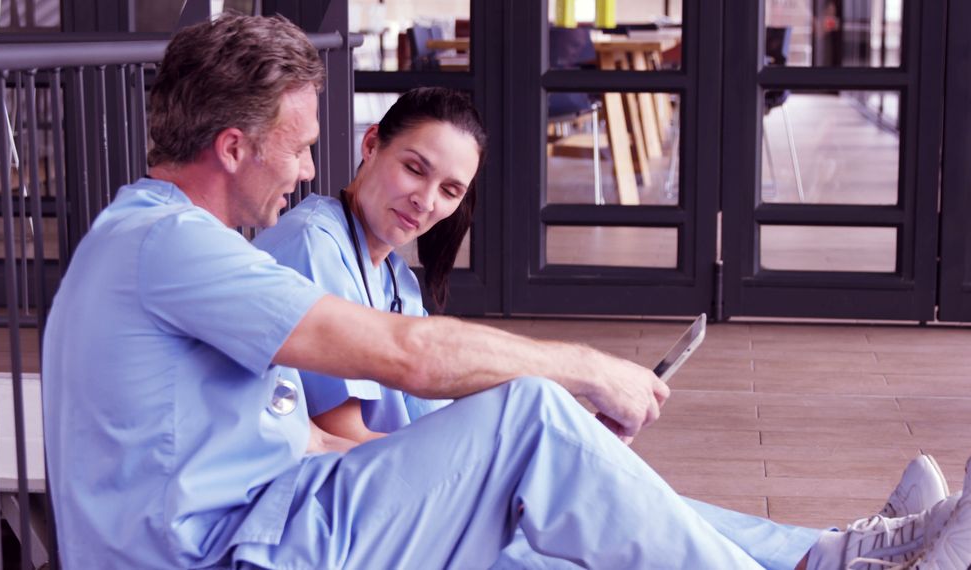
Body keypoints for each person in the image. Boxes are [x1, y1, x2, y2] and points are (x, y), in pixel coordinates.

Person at [41, 13, 971, 570]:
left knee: (569, 495)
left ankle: (845, 554)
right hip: (233, 551)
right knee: (534, 424)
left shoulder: (170, 243)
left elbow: (301, 427)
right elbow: (405, 360)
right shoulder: (174, 245)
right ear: (234, 147)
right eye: (301, 145)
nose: (309, 166)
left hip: (268, 523)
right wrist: (587, 371)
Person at [252, 86, 966, 570]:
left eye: (450, 190)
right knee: (606, 513)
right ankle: (844, 556)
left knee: (619, 493)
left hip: (399, 493)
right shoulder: (313, 243)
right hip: (351, 517)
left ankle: (841, 552)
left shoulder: (392, 277)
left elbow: (431, 416)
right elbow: (343, 446)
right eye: (414, 168)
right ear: (370, 143)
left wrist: (549, 437)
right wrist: (494, 460)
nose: (425, 201)